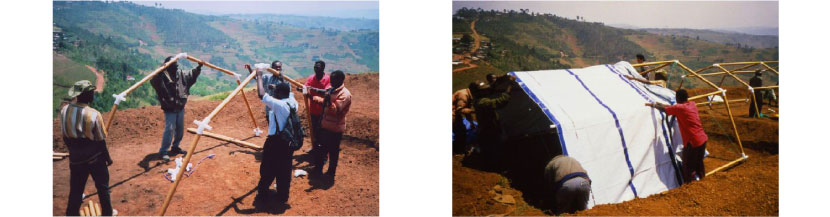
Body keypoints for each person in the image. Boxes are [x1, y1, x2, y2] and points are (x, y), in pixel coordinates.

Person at [60, 80, 115, 216]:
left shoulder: (65, 110)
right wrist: (107, 157)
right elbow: (100, 140)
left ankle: (71, 214)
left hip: (76, 158)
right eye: (91, 93)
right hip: (94, 157)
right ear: (88, 95)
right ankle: (107, 213)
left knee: (76, 190)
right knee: (103, 187)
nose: (93, 95)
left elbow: (65, 136)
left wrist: (74, 152)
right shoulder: (94, 114)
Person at [253, 69, 299, 207]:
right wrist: (281, 77)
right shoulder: (292, 101)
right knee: (285, 169)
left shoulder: (279, 105)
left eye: (276, 91)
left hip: (275, 142)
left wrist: (259, 76)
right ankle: (282, 195)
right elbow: (287, 88)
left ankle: (262, 194)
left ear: (279, 93)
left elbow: (261, 94)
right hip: (288, 141)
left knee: (268, 167)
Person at [645, 89, 708, 184]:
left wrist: (653, 105)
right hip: (702, 138)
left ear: (678, 98)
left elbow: (666, 110)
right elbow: (673, 107)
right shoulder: (692, 104)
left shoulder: (680, 109)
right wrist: (659, 103)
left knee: (687, 165)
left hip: (693, 141)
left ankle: (689, 186)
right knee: (699, 162)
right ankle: (704, 180)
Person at [150, 56, 202, 161]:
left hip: (180, 107)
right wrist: (161, 70)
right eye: (174, 65)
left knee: (180, 129)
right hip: (170, 108)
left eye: (176, 65)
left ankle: (175, 147)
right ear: (168, 66)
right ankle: (163, 151)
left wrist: (199, 67)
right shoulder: (162, 76)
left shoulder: (180, 74)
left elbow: (191, 75)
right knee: (169, 130)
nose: (176, 67)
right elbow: (154, 81)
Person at [310, 70, 352, 181]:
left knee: (333, 152)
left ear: (340, 80)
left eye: (333, 80)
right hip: (325, 125)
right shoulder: (331, 89)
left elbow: (335, 110)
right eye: (331, 79)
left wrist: (328, 102)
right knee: (321, 149)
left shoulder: (345, 94)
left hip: (335, 128)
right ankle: (318, 169)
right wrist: (313, 98)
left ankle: (330, 173)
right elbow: (324, 101)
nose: (331, 81)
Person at [472, 75, 513, 169]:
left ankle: (493, 163)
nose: (486, 91)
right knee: (494, 147)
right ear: (478, 92)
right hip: (489, 129)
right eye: (483, 90)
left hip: (488, 128)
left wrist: (502, 79)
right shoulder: (482, 102)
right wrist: (510, 86)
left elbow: (491, 90)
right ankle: (494, 166)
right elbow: (501, 101)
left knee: (493, 146)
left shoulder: (479, 99)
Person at [305, 61, 331, 156]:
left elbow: (327, 92)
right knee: (314, 129)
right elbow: (306, 86)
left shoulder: (328, 79)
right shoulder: (311, 78)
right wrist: (304, 90)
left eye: (318, 67)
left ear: (323, 68)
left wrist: (313, 90)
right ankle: (314, 147)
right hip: (313, 109)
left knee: (324, 131)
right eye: (315, 67)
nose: (316, 69)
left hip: (324, 110)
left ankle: (323, 151)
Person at [452, 83, 476, 154]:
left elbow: (466, 112)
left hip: (456, 113)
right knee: (459, 130)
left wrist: (471, 123)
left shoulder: (468, 95)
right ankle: (456, 150)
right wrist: (473, 111)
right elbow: (460, 109)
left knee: (461, 130)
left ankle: (457, 149)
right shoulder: (464, 95)